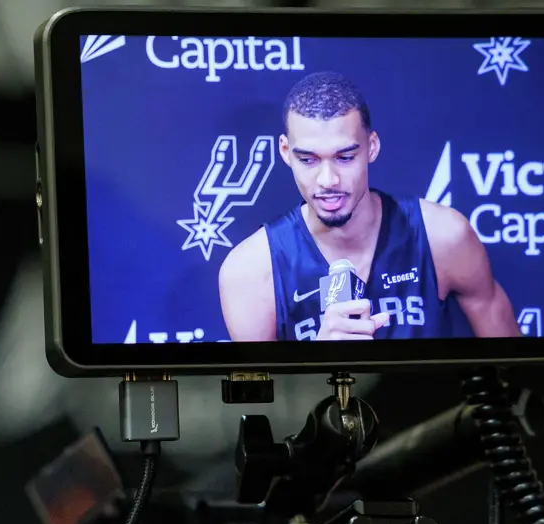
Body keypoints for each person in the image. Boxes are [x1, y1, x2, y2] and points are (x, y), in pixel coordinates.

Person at [218, 71, 520, 343]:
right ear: (286, 152)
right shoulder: (251, 271)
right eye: (308, 160)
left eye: (345, 157)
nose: (328, 180)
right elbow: (261, 399)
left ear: (371, 147)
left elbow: (512, 368)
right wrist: (315, 361)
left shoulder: (443, 237)